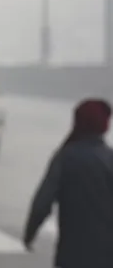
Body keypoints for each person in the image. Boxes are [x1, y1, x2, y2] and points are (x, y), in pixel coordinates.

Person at [23, 98, 113, 268]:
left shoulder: (64, 157)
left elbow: (42, 203)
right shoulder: (110, 159)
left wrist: (30, 233)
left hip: (72, 255)